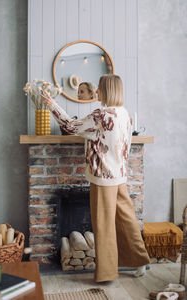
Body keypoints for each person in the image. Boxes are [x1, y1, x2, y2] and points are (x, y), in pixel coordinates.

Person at [41, 74, 150, 282]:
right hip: (119, 176)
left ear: (107, 90)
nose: (97, 92)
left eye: (99, 88)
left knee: (104, 225)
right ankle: (141, 260)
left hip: (102, 179)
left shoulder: (101, 114)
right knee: (127, 221)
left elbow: (70, 127)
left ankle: (107, 273)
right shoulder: (125, 114)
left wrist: (52, 104)